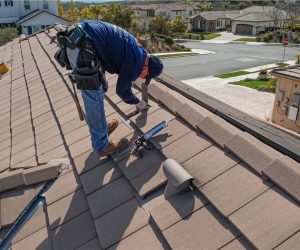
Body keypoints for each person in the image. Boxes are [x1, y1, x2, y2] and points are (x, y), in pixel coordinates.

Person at [54, 20, 164, 157]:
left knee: (100, 87)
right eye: (145, 76)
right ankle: (102, 145)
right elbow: (122, 91)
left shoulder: (138, 51)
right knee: (93, 96)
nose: (141, 78)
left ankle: (101, 128)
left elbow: (107, 52)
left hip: (81, 37)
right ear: (146, 68)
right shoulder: (137, 62)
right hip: (82, 44)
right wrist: (138, 102)